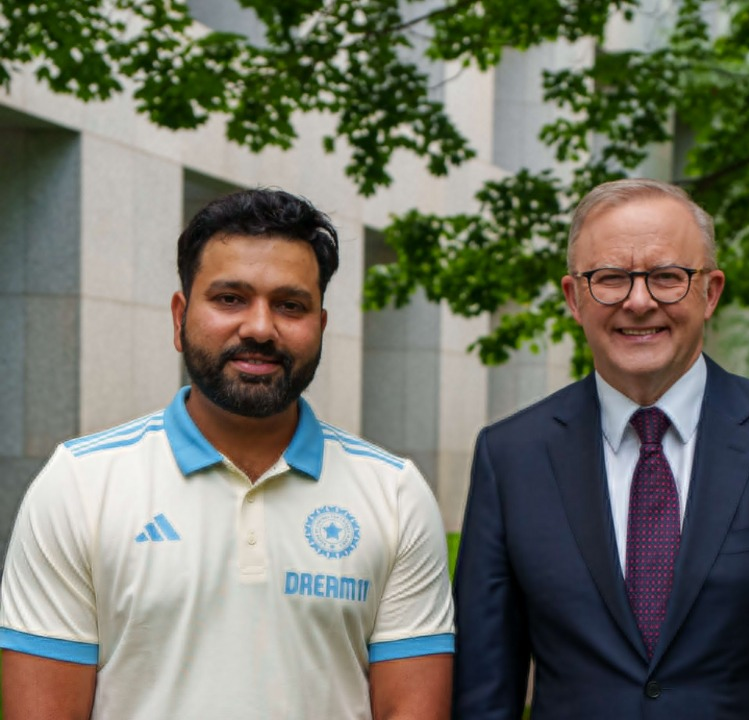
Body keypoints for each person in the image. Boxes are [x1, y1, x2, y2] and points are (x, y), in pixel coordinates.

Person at [0, 189, 455, 719]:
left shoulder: (395, 494)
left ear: (321, 327)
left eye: (290, 305)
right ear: (180, 316)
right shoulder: (79, 485)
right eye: (230, 298)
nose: (260, 328)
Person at [452, 178, 749, 719]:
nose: (639, 302)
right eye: (610, 279)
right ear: (574, 297)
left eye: (667, 278)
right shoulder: (510, 457)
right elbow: (482, 693)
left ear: (710, 292)